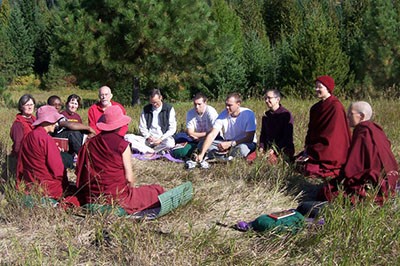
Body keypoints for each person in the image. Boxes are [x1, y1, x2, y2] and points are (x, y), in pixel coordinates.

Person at [75, 105, 165, 213]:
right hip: (118, 198)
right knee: (156, 190)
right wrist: (131, 193)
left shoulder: (89, 143)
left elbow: (80, 171)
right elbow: (129, 179)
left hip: (92, 197)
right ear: (120, 125)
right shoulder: (122, 144)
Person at [322, 101, 399, 205]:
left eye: (350, 113)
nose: (347, 116)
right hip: (389, 180)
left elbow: (354, 166)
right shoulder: (375, 129)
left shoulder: (363, 131)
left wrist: (344, 177)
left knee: (327, 192)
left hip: (373, 181)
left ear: (361, 116)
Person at [297, 75, 351, 178]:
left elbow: (333, 135)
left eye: (320, 87)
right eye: (316, 87)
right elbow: (311, 130)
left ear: (328, 88)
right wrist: (308, 146)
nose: (316, 89)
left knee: (310, 169)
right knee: (297, 163)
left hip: (328, 150)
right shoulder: (315, 108)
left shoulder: (336, 107)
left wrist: (315, 149)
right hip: (316, 148)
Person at [16, 105, 68, 199]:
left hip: (30, 184)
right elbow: (58, 170)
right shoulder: (46, 139)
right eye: (54, 121)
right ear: (46, 121)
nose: (56, 124)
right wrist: (65, 182)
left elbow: (20, 163)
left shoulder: (28, 136)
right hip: (47, 188)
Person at [196, 92, 257, 162]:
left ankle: (221, 156)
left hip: (244, 143)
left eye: (230, 105)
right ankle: (227, 157)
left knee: (242, 149)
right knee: (201, 144)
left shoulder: (248, 114)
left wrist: (231, 144)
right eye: (226, 105)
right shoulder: (223, 114)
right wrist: (202, 153)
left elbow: (249, 138)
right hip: (227, 142)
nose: (227, 107)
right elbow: (212, 134)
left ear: (238, 104)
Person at [126, 89, 177, 154]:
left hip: (162, 139)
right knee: (127, 137)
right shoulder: (146, 109)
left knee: (170, 144)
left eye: (156, 102)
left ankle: (148, 150)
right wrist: (148, 137)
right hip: (149, 139)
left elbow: (172, 128)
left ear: (160, 98)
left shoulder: (169, 109)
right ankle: (152, 151)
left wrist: (161, 139)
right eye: (152, 102)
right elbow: (142, 127)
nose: (154, 104)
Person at [259, 89, 294, 162]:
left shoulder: (286, 115)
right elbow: (263, 134)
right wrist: (261, 148)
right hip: (268, 148)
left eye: (269, 98)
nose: (266, 100)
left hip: (283, 148)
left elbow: (286, 137)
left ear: (277, 99)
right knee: (252, 159)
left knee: (270, 162)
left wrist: (274, 149)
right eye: (265, 98)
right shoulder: (266, 115)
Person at [9, 94, 37, 176]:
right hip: (25, 158)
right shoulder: (18, 124)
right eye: (27, 105)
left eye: (31, 104)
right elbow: (17, 146)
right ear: (21, 107)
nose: (30, 107)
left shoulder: (35, 120)